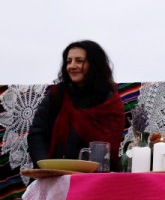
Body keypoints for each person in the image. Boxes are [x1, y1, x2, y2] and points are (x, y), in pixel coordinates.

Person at [28, 40, 126, 170]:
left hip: (93, 176)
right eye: (69, 61)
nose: (72, 66)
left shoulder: (109, 101)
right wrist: (46, 166)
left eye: (79, 61)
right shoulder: (57, 95)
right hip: (53, 173)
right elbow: (37, 134)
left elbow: (108, 147)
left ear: (94, 64)